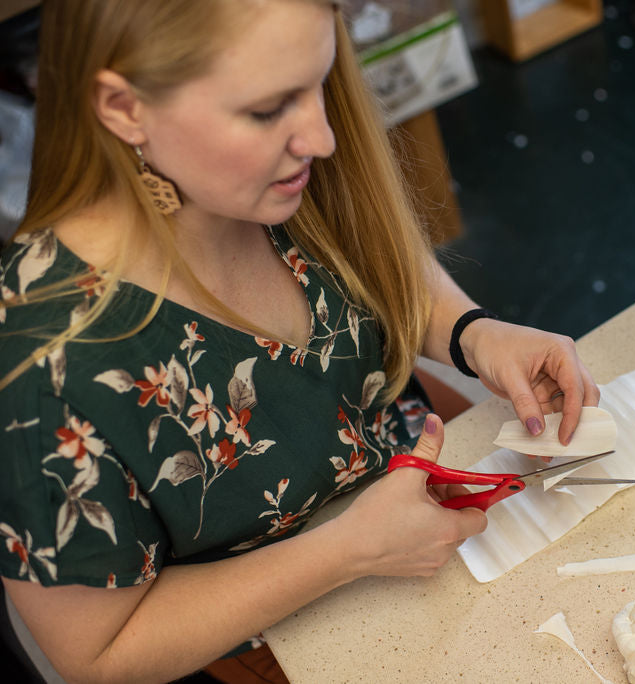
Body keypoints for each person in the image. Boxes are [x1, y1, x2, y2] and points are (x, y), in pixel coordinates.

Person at [0, 1, 600, 682]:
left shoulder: (270, 167)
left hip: (412, 501)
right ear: (124, 106)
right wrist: (349, 550)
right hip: (272, 640)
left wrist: (473, 332)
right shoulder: (35, 368)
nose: (322, 138)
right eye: (265, 111)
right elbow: (99, 655)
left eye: (319, 82)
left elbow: (373, 247)